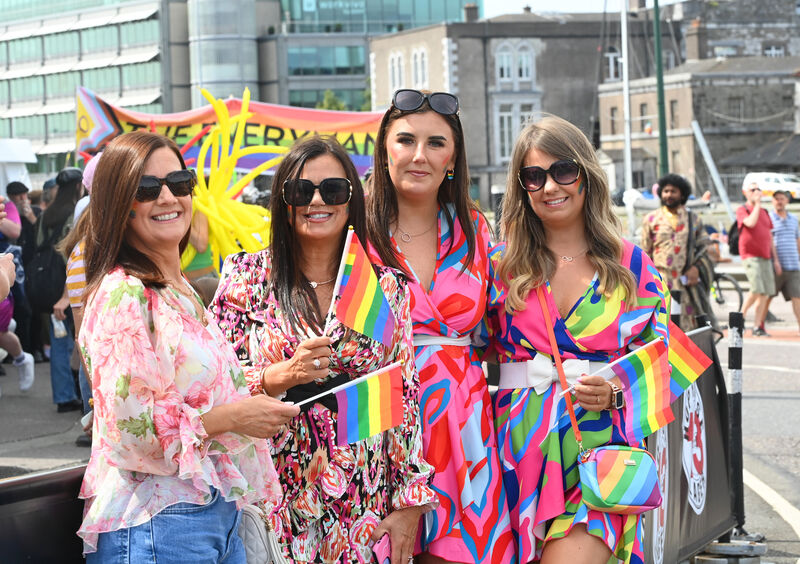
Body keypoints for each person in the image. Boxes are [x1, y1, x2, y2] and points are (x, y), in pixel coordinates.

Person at [210, 135, 436, 563]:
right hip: (274, 494)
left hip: (362, 501)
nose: (318, 201)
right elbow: (213, 386)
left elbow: (402, 398)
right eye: (302, 190)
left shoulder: (385, 286)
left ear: (352, 199)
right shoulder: (245, 277)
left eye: (333, 189)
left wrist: (408, 505)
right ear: (283, 200)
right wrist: (278, 376)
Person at [77, 130, 299, 562]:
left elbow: (206, 395)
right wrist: (236, 417)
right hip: (156, 521)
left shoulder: (178, 290)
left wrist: (280, 378)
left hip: (211, 509)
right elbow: (130, 432)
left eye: (179, 183)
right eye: (146, 188)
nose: (168, 198)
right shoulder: (124, 293)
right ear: (119, 206)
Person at [485, 116, 669, 564]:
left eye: (563, 170)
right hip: (511, 452)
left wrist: (616, 392)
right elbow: (466, 352)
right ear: (521, 187)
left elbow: (662, 361)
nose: (550, 186)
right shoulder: (499, 265)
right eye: (533, 176)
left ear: (586, 175)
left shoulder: (632, 266)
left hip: (598, 453)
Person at [366, 89, 514, 564]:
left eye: (435, 143)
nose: (418, 155)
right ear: (385, 149)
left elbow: (502, 327)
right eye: (405, 140)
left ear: (453, 157)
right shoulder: (356, 228)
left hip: (465, 425)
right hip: (381, 426)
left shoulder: (474, 228)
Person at [640, 173, 718, 330]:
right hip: (658, 284)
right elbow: (644, 253)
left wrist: (696, 268)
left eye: (673, 191)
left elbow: (705, 248)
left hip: (684, 285)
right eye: (666, 191)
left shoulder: (693, 219)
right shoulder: (651, 219)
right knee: (659, 329)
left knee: (687, 330)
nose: (668, 195)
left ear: (682, 194)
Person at [36, 167, 84, 412]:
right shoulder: (74, 212)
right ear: (78, 186)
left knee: (58, 340)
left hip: (47, 283)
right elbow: (71, 254)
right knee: (80, 340)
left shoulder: (47, 213)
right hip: (67, 284)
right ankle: (80, 395)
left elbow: (37, 244)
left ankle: (63, 396)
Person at [738, 181, 780, 336]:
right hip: (750, 255)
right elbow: (750, 222)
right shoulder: (743, 209)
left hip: (765, 256)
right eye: (752, 189)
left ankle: (758, 326)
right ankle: (740, 317)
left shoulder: (765, 212)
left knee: (765, 293)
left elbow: (769, 236)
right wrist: (756, 204)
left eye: (758, 189)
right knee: (756, 289)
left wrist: (775, 260)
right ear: (745, 192)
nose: (756, 191)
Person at [768, 190, 800, 334]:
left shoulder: (794, 219)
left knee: (797, 296)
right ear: (772, 201)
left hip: (793, 265)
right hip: (776, 266)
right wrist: (775, 261)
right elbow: (768, 241)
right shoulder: (769, 218)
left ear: (787, 201)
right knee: (767, 296)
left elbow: (797, 240)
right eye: (776, 199)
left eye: (782, 198)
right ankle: (758, 325)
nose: (779, 201)